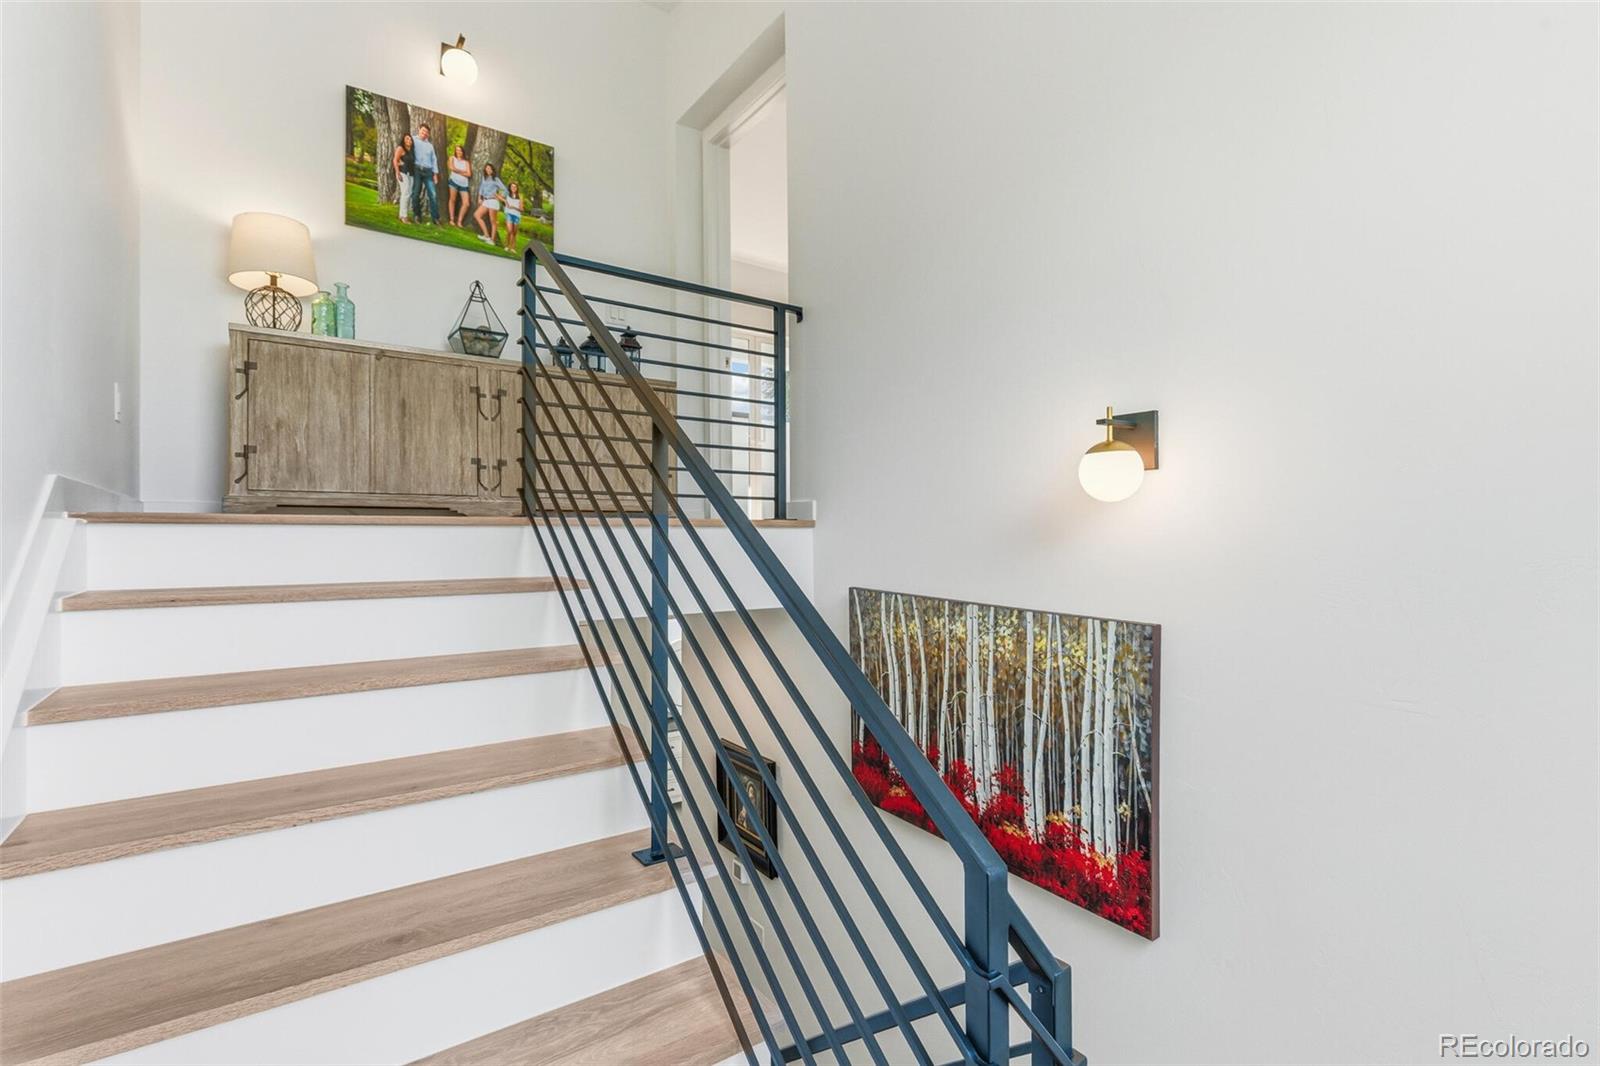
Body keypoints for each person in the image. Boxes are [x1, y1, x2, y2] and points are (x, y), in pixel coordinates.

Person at [410, 123, 440, 225]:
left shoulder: (430, 146)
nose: (424, 133)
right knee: (415, 193)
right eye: (423, 130)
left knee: (433, 195)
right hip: (416, 169)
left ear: (428, 134)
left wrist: (435, 174)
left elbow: (434, 160)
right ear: (419, 130)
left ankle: (436, 218)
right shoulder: (413, 140)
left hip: (428, 171)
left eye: (427, 132)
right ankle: (417, 215)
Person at [472, 163, 508, 245]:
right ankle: (486, 235)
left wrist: (499, 196)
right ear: (485, 170)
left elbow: (505, 190)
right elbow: (481, 188)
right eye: (487, 168)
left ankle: (492, 240)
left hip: (493, 201)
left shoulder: (495, 179)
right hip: (485, 201)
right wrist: (479, 198)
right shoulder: (484, 178)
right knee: (477, 215)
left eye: (490, 169)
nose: (488, 170)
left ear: (492, 170)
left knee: (493, 221)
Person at [391, 133, 415, 223]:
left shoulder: (412, 150)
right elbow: (395, 160)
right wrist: (397, 172)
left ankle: (401, 214)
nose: (409, 140)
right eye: (407, 139)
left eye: (410, 139)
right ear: (403, 140)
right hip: (402, 173)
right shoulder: (400, 148)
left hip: (411, 174)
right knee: (406, 193)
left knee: (408, 193)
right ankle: (404, 216)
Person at [446, 145, 472, 227]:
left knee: (466, 203)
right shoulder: (452, 158)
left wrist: (457, 170)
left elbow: (469, 174)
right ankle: (452, 219)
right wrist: (463, 171)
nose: (458, 152)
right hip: (453, 181)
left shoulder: (466, 162)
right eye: (457, 150)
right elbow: (451, 168)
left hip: (464, 184)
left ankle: (459, 221)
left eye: (460, 150)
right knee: (452, 200)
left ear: (462, 152)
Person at [502, 181, 523, 252]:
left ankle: (513, 248)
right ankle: (507, 246)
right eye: (512, 187)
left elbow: (521, 209)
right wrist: (505, 201)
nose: (513, 188)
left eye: (515, 187)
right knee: (509, 231)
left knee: (514, 233)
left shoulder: (520, 196)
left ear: (517, 188)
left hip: (517, 216)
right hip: (509, 214)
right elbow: (498, 196)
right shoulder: (507, 194)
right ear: (510, 188)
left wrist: (514, 207)